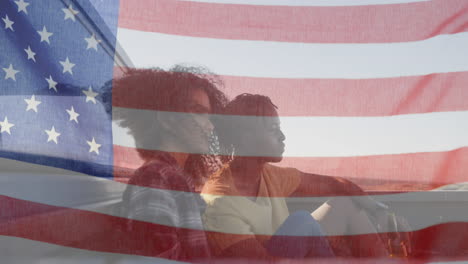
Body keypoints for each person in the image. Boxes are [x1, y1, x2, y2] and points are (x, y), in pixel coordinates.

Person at [202, 94, 407, 260]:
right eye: (273, 129)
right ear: (245, 136)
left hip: (287, 255)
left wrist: (380, 212)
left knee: (343, 204)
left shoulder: (270, 175)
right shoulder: (220, 200)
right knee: (301, 222)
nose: (282, 136)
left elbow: (336, 185)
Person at [113, 66, 228, 261]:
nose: (210, 126)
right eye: (198, 111)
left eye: (209, 116)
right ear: (166, 120)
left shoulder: (177, 178)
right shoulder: (155, 178)